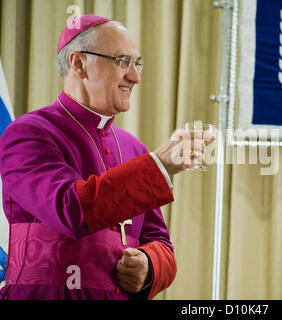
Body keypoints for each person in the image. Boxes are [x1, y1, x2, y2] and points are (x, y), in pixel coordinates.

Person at [0, 14, 209, 300]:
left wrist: (148, 267)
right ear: (79, 64)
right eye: (123, 62)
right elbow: (69, 209)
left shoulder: (133, 148)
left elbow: (161, 245)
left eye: (137, 64)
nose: (135, 77)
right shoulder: (28, 134)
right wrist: (159, 165)